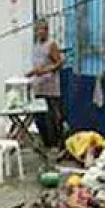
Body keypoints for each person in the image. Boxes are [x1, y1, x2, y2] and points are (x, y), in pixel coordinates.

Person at [27, 20, 65, 148]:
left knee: (52, 117)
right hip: (39, 86)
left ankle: (55, 144)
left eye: (43, 29)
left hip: (51, 87)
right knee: (39, 117)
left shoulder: (51, 45)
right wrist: (32, 74)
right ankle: (46, 143)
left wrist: (44, 71)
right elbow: (37, 65)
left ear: (47, 30)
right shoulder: (36, 45)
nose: (40, 32)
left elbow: (59, 63)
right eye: (38, 29)